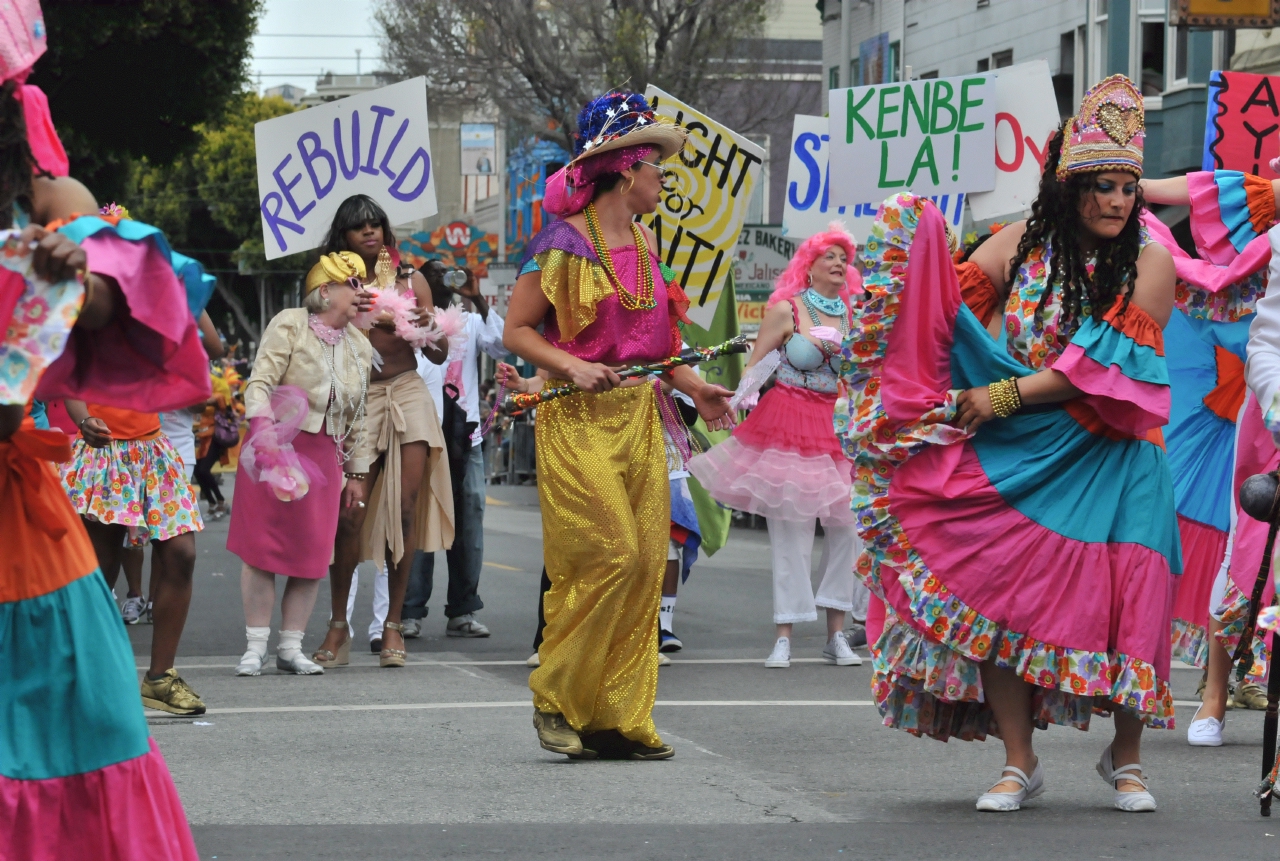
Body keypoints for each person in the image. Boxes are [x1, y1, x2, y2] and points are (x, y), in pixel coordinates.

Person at [840, 76, 1178, 812]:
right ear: (1068, 190)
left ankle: (1127, 759)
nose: (1118, 200)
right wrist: (908, 265)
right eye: (1101, 186)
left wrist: (997, 395)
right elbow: (945, 306)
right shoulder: (1023, 247)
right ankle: (1019, 760)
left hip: (1118, 448)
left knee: (1133, 595)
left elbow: (1102, 368)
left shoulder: (1153, 260)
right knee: (993, 584)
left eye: (1128, 186)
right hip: (1028, 451)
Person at [1, 6, 203, 848]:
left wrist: (79, 274)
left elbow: (130, 293)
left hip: (22, 537)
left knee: (81, 735)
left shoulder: (46, 194)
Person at [504, 91, 734, 760]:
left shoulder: (644, 245)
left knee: (642, 563)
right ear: (627, 167)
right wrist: (569, 367)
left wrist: (698, 388)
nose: (664, 178)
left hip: (636, 418)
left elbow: (655, 347)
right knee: (605, 553)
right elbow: (519, 329)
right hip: (575, 420)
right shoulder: (560, 244)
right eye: (657, 166)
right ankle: (556, 697)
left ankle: (614, 714)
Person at [1138, 168, 1280, 741]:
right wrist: (1131, 184)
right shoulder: (1275, 237)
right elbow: (1265, 342)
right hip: (1266, 420)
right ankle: (1216, 694)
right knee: (1245, 553)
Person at [688, 224, 864, 669]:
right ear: (810, 264)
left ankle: (837, 633)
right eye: (830, 256)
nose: (840, 263)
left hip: (836, 425)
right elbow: (757, 364)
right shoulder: (786, 310)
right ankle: (784, 632)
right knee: (792, 526)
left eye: (845, 257)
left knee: (848, 528)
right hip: (788, 420)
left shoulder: (853, 315)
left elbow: (863, 375)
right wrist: (741, 397)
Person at [311, 195, 454, 670]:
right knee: (349, 514)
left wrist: (424, 325)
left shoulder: (412, 279)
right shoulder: (329, 283)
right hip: (357, 400)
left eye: (376, 225)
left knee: (405, 510)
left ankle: (393, 625)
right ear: (343, 237)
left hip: (408, 392)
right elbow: (315, 338)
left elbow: (437, 353)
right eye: (358, 227)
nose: (369, 232)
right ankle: (338, 626)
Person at [227, 252, 372, 676]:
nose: (362, 294)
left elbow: (359, 414)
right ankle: (255, 646)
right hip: (275, 447)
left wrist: (357, 474)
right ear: (325, 291)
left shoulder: (360, 346)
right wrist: (264, 434)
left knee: (312, 552)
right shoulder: (290, 322)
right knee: (261, 550)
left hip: (325, 456)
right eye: (354, 284)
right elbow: (260, 383)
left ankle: (291, 647)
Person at [410, 260, 507, 638]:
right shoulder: (410, 320)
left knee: (469, 521)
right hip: (423, 433)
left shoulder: (468, 320)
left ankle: (463, 610)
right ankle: (410, 610)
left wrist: (479, 301)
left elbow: (501, 345)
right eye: (435, 273)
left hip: (465, 435)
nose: (445, 278)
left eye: (451, 272)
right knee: (419, 522)